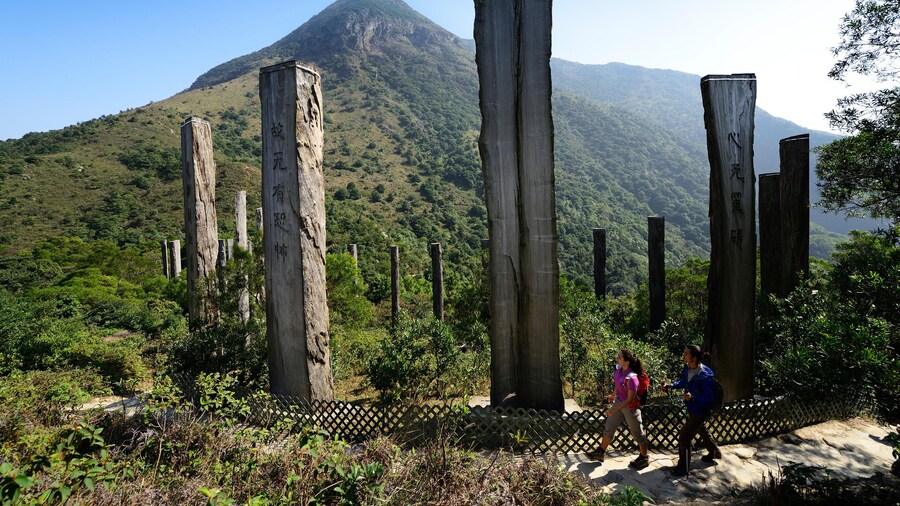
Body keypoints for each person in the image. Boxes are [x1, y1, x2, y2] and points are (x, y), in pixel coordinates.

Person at [662, 344, 722, 477]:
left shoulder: (705, 375)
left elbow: (709, 398)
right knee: (701, 429)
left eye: (686, 353)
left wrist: (693, 398)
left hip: (701, 410)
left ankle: (683, 468)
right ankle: (714, 452)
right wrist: (671, 385)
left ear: (694, 358)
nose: (683, 355)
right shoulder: (687, 367)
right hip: (692, 408)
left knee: (684, 438)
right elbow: (684, 381)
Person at [586, 349, 650, 469]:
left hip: (630, 408)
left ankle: (644, 457)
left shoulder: (632, 378)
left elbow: (629, 400)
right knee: (609, 427)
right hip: (619, 403)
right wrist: (613, 395)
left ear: (626, 362)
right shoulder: (619, 370)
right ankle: (601, 452)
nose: (617, 358)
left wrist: (613, 409)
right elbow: (617, 383)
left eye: (619, 357)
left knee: (638, 434)